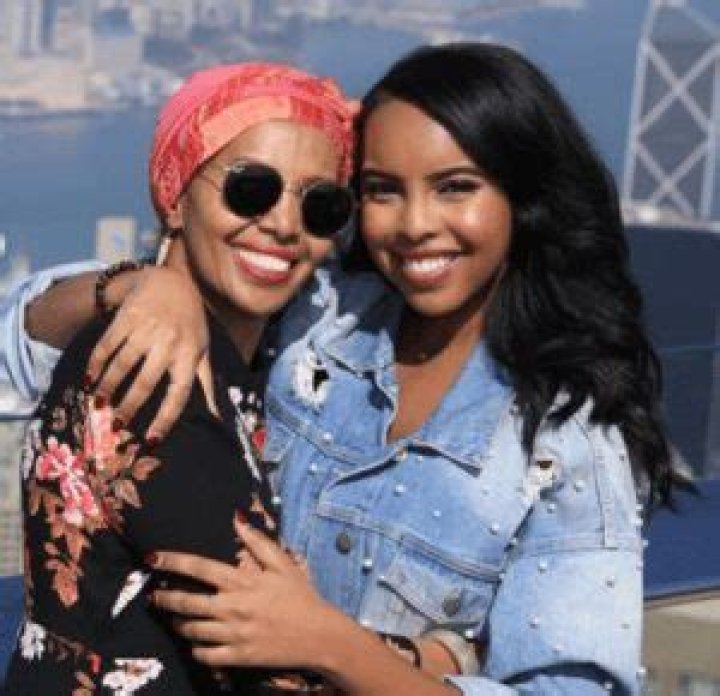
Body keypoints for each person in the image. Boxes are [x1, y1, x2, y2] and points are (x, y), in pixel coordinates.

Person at [2, 43, 676, 695]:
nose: (415, 224)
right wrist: (136, 285)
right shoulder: (315, 320)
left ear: (525, 200)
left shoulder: (569, 442)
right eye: (383, 190)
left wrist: (333, 645)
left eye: (455, 188)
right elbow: (25, 341)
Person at [1, 61, 359, 695]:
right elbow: (268, 654)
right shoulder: (151, 367)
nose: (285, 224)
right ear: (175, 196)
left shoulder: (245, 363)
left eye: (320, 205)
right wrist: (433, 659)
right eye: (251, 189)